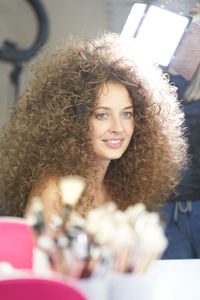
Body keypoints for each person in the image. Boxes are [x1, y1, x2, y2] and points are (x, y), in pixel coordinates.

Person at [0, 32, 188, 223]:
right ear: (73, 120)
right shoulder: (53, 191)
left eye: (126, 114)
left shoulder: (119, 189)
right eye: (102, 115)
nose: (118, 128)